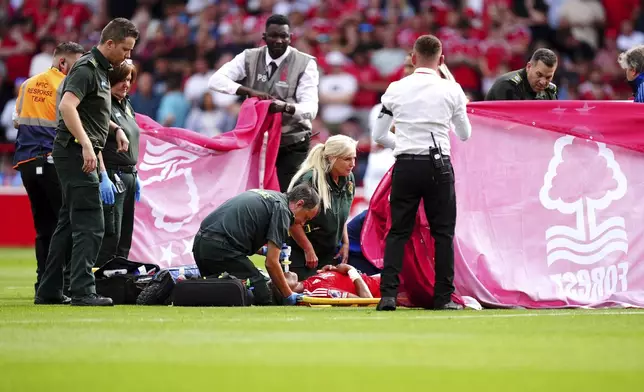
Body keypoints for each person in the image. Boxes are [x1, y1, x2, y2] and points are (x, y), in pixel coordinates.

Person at [35, 18, 139, 307]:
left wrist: (115, 129)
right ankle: (82, 290)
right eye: (126, 49)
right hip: (75, 152)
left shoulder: (101, 71)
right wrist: (85, 145)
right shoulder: (87, 68)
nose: (128, 56)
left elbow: (92, 113)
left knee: (68, 224)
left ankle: (50, 289)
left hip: (77, 151)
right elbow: (67, 106)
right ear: (109, 44)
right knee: (92, 222)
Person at [372, 35, 471, 311]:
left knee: (397, 231)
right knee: (443, 233)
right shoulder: (452, 90)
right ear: (441, 60)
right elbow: (465, 134)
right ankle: (443, 297)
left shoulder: (396, 88)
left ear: (413, 58)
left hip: (406, 164)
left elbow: (378, 134)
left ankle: (389, 295)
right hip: (438, 165)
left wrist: (402, 144)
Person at [208, 14, 319, 192]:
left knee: (287, 198)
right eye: (274, 35)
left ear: (290, 38)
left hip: (291, 144)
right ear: (264, 37)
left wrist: (286, 107)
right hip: (257, 143)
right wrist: (248, 91)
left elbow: (311, 108)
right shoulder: (249, 57)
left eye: (284, 36)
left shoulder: (305, 63)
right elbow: (215, 80)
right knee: (251, 195)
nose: (279, 40)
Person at [12, 41, 85, 296]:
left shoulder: (27, 84)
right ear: (62, 63)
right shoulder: (66, 86)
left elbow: (16, 121)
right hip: (52, 160)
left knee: (44, 228)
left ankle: (42, 285)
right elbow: (73, 123)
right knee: (64, 225)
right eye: (76, 64)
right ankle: (60, 285)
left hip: (26, 163)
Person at [192, 184, 320, 306]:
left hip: (200, 244)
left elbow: (238, 235)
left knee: (220, 293)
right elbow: (271, 263)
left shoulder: (271, 197)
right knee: (262, 292)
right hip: (220, 249)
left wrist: (264, 251)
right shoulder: (283, 211)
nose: (302, 223)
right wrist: (288, 295)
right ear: (299, 204)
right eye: (306, 218)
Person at [286, 135, 358, 280]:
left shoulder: (348, 178)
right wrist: (308, 250)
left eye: (354, 158)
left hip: (329, 251)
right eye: (347, 159)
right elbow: (293, 219)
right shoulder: (310, 180)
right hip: (302, 253)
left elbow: (342, 213)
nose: (353, 164)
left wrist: (345, 243)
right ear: (332, 158)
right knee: (301, 295)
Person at [95, 60, 142, 267]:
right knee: (110, 232)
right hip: (113, 174)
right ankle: (99, 280)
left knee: (125, 233)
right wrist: (103, 175)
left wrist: (136, 174)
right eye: (121, 79)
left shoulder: (127, 105)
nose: (126, 84)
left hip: (129, 175)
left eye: (129, 79)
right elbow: (94, 142)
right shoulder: (101, 104)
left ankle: (118, 279)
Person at [364, 53, 414, 201]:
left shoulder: (379, 108)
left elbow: (378, 138)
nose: (406, 70)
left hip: (397, 164)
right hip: (386, 164)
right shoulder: (377, 109)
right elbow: (377, 139)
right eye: (406, 66)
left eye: (410, 66)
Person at [484, 48, 559, 101]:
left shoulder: (550, 91)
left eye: (548, 77)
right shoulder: (507, 85)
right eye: (539, 75)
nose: (543, 81)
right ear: (528, 67)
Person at [285, 264, 379, 299]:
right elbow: (366, 301)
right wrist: (350, 269)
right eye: (281, 278)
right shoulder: (319, 291)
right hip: (385, 288)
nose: (284, 273)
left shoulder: (309, 282)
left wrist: (334, 268)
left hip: (377, 279)